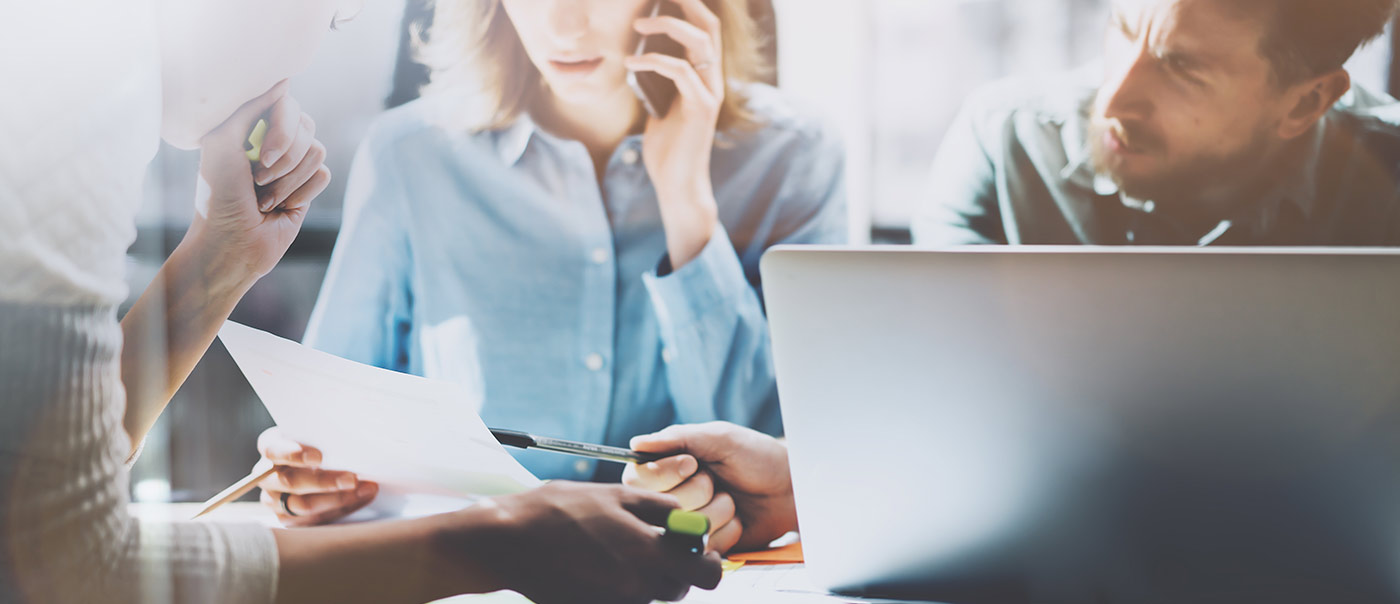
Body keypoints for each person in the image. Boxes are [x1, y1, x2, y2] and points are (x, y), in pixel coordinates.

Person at [0, 0, 720, 602]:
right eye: (340, 12)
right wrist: (500, 542)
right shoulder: (71, 79)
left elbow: (34, 488)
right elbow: (60, 566)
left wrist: (219, 260)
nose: (318, 50)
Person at [625, 0, 1400, 554]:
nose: (1118, 96)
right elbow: (952, 429)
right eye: (1123, 27)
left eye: (1182, 66)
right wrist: (807, 483)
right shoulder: (1003, 145)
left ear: (1305, 103)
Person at [256, 0, 847, 535]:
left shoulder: (793, 156)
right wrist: (304, 481)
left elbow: (783, 457)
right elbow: (327, 425)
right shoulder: (410, 155)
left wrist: (687, 202)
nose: (564, 24)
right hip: (472, 576)